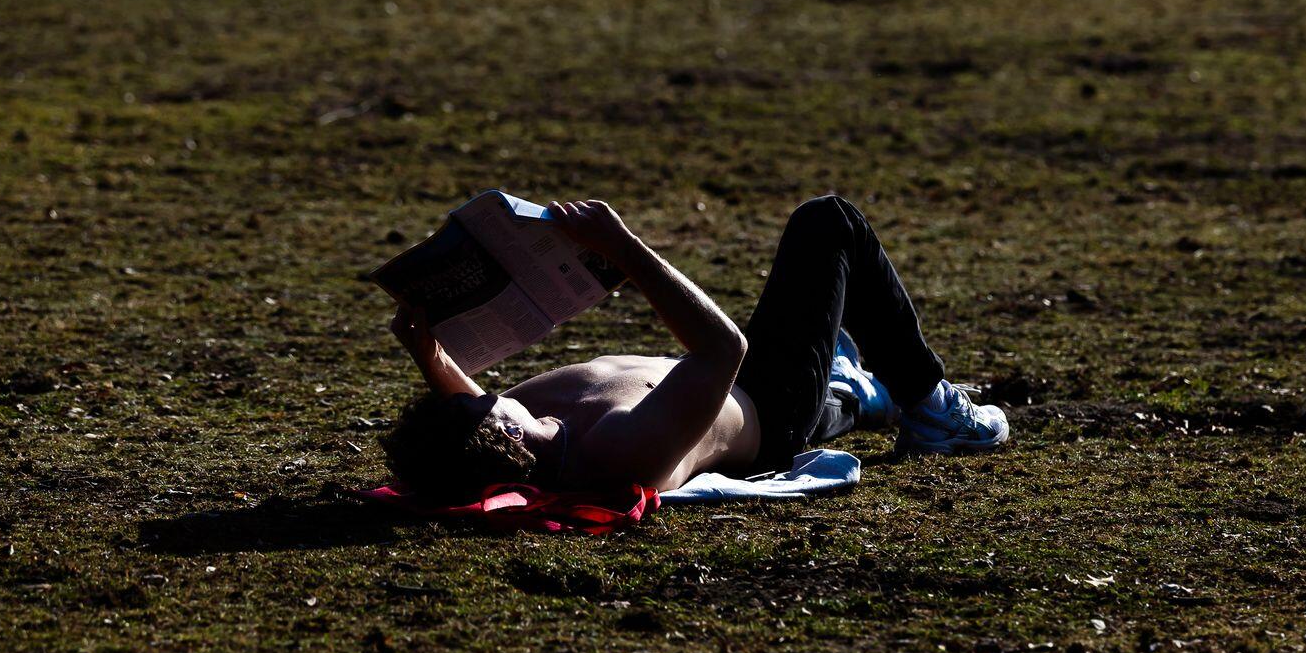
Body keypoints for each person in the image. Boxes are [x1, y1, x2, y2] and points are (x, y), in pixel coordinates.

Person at [381, 195, 1008, 496]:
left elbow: (472, 423)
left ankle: (850, 386)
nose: (484, 392)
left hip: (725, 384)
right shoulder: (614, 454)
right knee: (829, 223)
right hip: (767, 397)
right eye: (483, 403)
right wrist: (623, 249)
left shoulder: (528, 434)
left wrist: (429, 354)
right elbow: (722, 348)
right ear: (506, 436)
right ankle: (933, 409)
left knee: (834, 367)